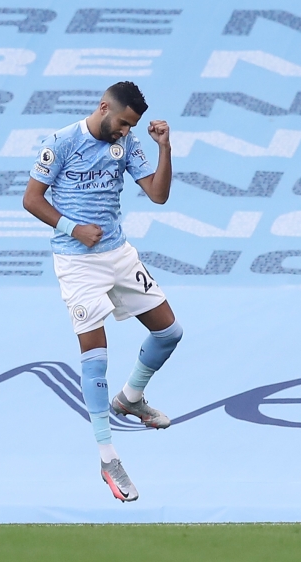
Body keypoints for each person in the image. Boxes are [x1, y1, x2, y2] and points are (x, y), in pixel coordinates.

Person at [22, 81, 182, 502]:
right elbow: (32, 199)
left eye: (132, 126)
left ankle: (130, 399)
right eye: (123, 123)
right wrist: (72, 228)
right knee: (96, 358)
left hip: (119, 255)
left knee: (169, 332)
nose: (125, 132)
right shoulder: (60, 143)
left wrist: (165, 147)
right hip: (77, 263)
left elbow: (159, 194)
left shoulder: (127, 143)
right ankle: (108, 457)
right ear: (103, 107)